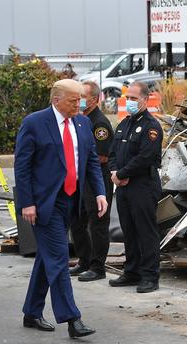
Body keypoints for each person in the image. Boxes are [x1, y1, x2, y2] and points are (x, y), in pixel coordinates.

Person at [14, 79, 108, 338]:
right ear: (56, 100)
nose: (78, 104)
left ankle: (32, 312)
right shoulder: (34, 123)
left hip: (72, 200)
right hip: (46, 203)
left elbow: (89, 160)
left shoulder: (83, 122)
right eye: (73, 100)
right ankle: (72, 319)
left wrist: (99, 191)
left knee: (47, 258)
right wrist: (27, 203)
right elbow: (22, 167)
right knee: (58, 258)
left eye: (80, 99)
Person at [108, 81, 162, 293]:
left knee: (146, 233)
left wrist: (122, 174)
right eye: (127, 98)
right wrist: (115, 173)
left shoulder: (151, 127)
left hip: (143, 186)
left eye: (133, 98)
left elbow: (145, 157)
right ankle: (132, 272)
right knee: (129, 231)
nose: (129, 102)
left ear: (145, 100)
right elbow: (112, 153)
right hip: (123, 187)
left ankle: (150, 276)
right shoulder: (124, 124)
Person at [69, 81, 114, 282]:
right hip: (81, 180)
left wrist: (79, 158)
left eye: (83, 96)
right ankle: (84, 260)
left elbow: (103, 156)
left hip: (97, 180)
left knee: (97, 225)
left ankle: (98, 267)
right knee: (77, 222)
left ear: (94, 99)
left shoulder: (99, 124)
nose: (79, 101)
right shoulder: (79, 119)